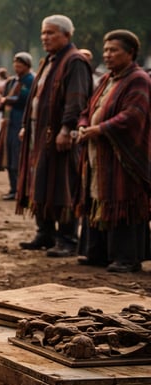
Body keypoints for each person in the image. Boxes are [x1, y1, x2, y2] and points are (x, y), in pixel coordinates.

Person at [16, 15, 92, 257]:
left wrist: (67, 129)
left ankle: (68, 238)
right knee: (40, 183)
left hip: (60, 136)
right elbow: (37, 97)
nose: (45, 37)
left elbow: (76, 99)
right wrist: (27, 126)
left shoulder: (75, 61)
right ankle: (45, 233)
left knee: (63, 185)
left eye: (51, 33)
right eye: (43, 33)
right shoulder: (49, 60)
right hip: (40, 135)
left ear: (67, 36)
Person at [75, 30, 151, 272]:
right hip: (99, 153)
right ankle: (98, 253)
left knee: (123, 200)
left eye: (113, 50)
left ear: (130, 53)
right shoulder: (107, 78)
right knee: (98, 199)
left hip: (123, 155)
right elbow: (89, 107)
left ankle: (126, 257)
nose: (107, 54)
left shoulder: (139, 79)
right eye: (106, 50)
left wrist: (100, 129)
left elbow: (133, 116)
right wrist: (84, 125)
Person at [0, 52, 34, 201]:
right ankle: (13, 188)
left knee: (19, 155)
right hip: (9, 122)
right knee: (9, 154)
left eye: (20, 64)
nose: (17, 67)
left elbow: (25, 98)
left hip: (20, 122)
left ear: (27, 66)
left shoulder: (30, 80)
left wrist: (5, 100)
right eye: (16, 64)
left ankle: (22, 189)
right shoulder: (13, 81)